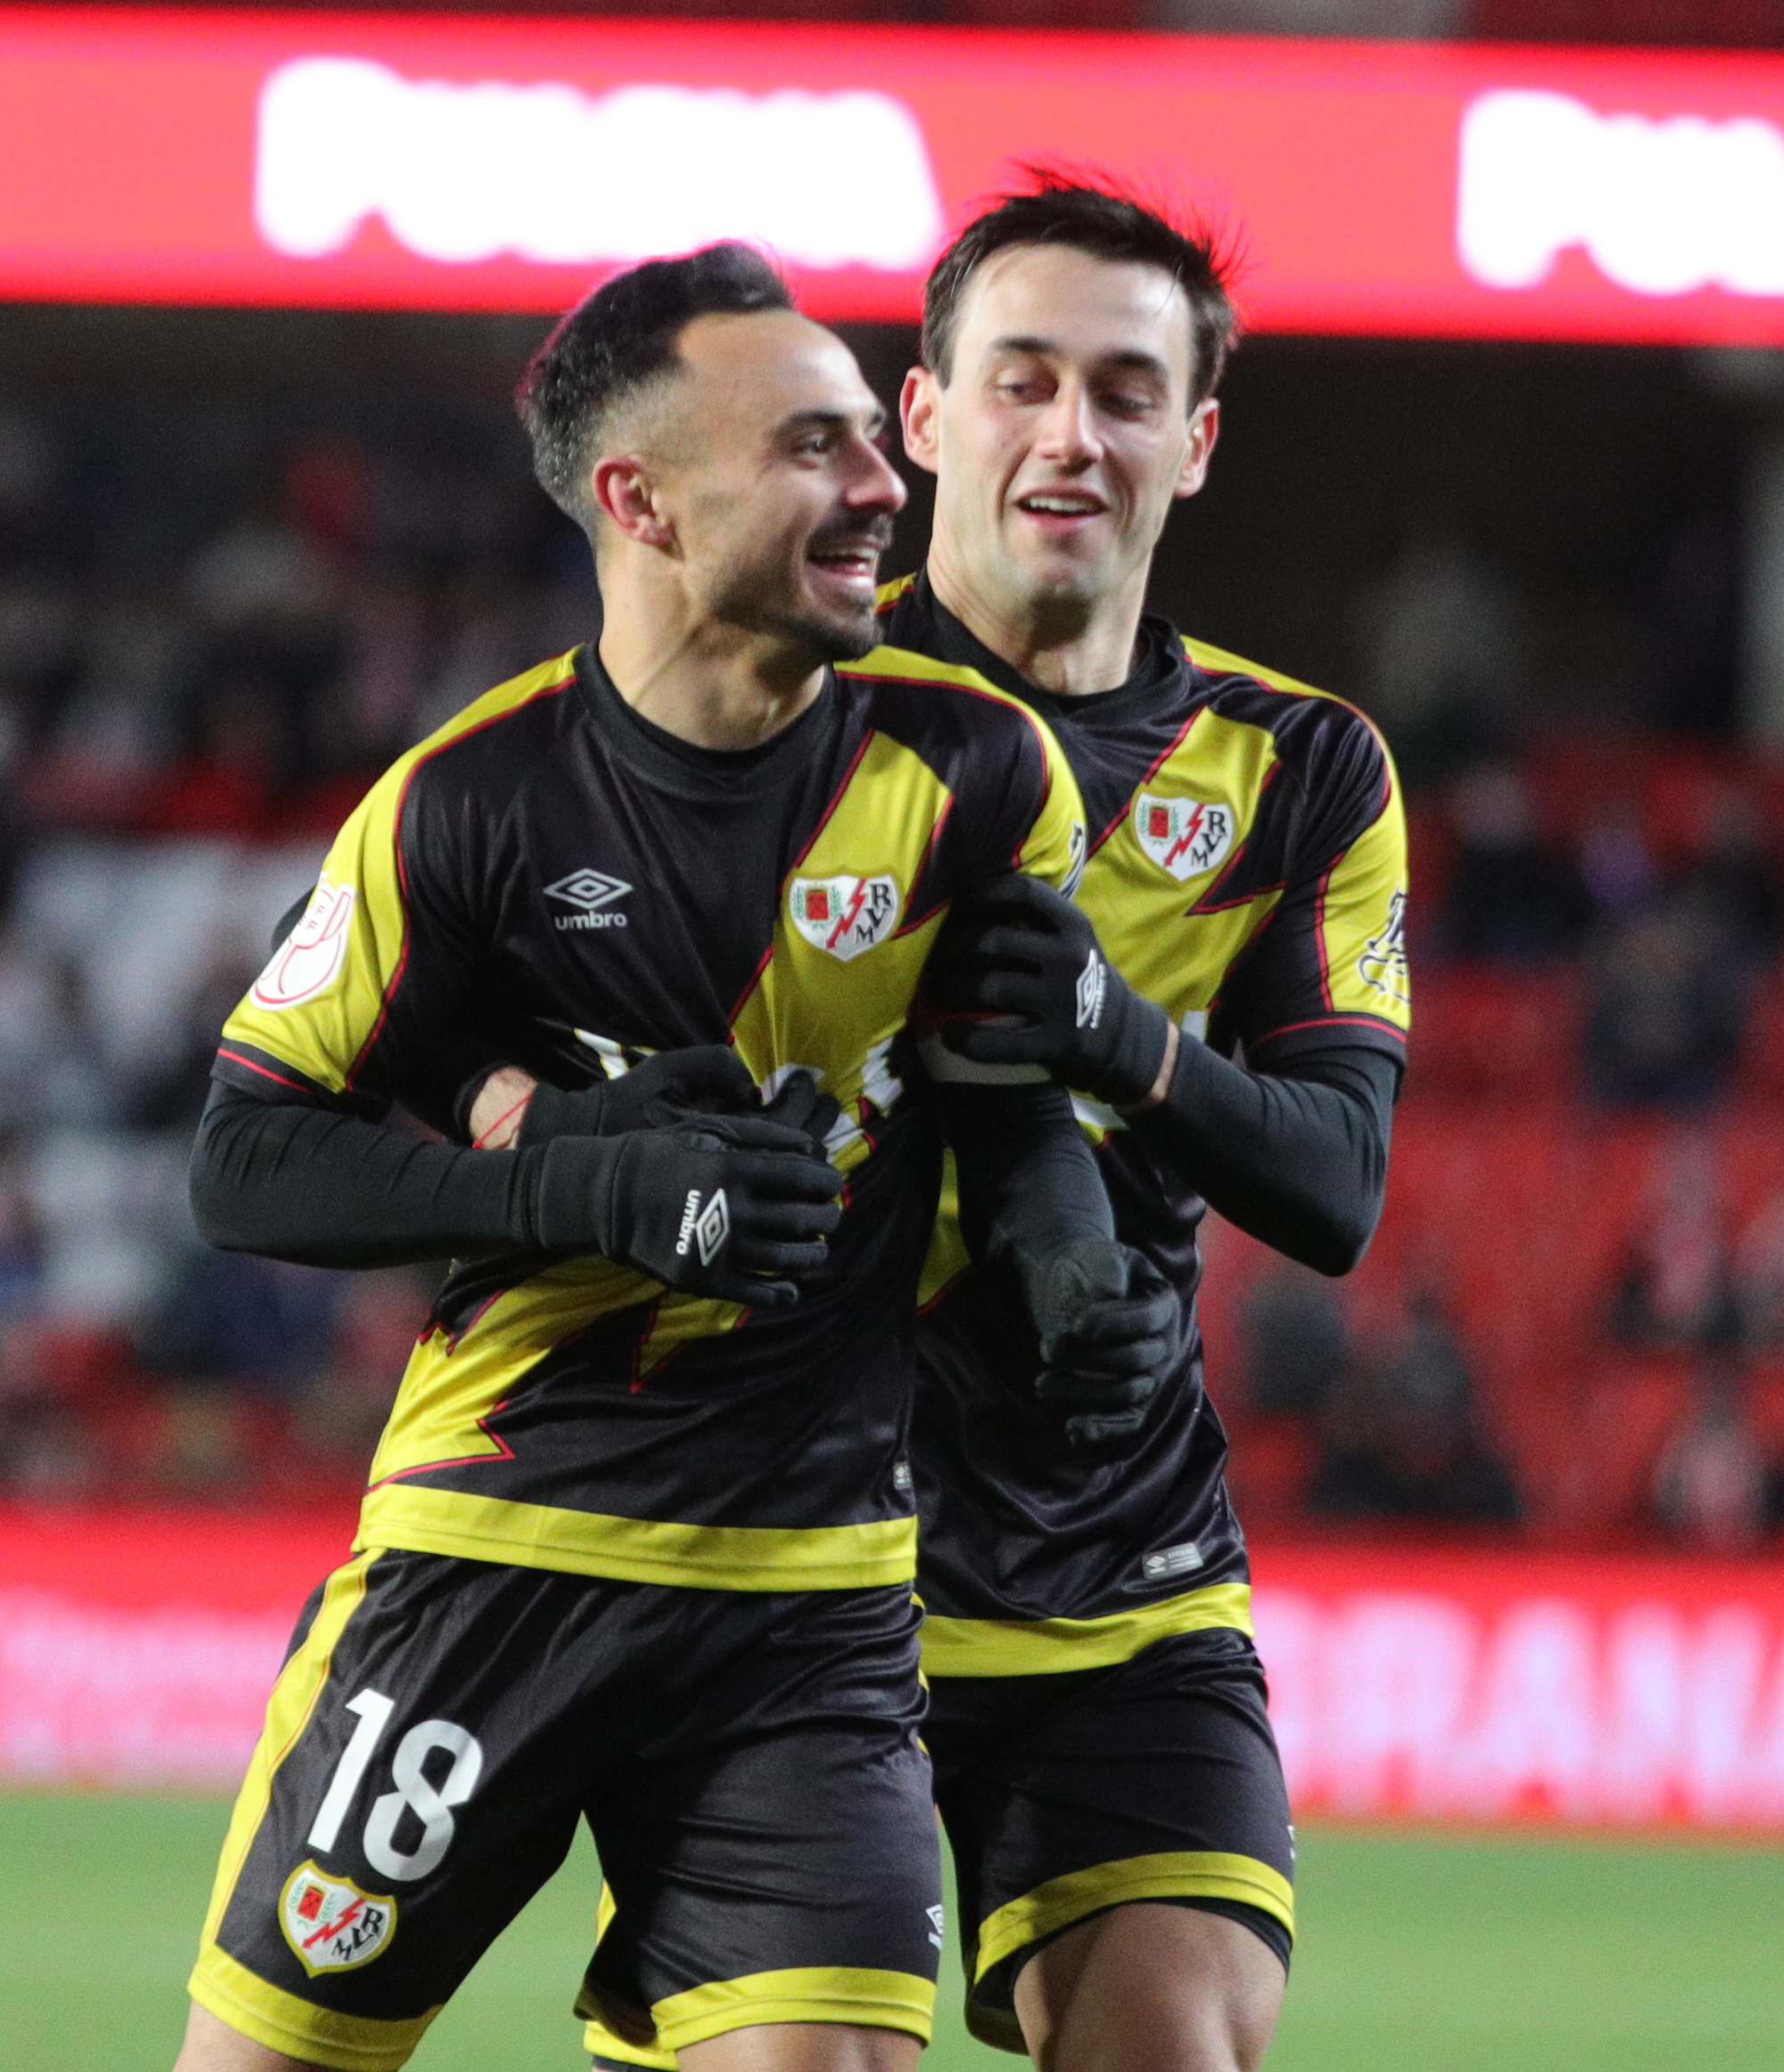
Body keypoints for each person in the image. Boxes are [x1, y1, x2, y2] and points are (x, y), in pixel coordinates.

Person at [173, 243, 1170, 2072]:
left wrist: (1065, 1265)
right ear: (637, 497)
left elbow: (1009, 1109)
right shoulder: (468, 803)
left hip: (815, 1595)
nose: (882, 483)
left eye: (875, 437)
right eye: (814, 445)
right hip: (501, 1552)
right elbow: (245, 1155)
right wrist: (579, 1186)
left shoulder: (984, 772)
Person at [580, 179, 1408, 2072]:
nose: (1070, 433)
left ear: (1193, 444)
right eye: (1021, 379)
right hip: (780, 1569)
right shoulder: (764, 714)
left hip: (1118, 1569)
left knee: (1175, 2042)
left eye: (1126, 391)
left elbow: (1336, 1178)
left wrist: (1122, 1035)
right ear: (926, 417)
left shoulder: (1302, 769)